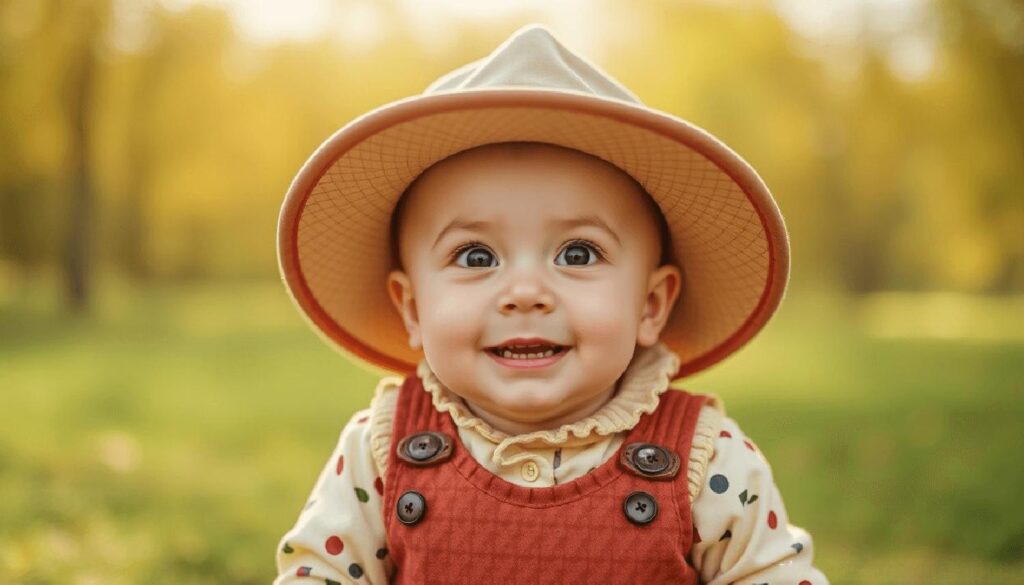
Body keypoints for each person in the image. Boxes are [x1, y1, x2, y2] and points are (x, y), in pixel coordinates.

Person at [272, 23, 829, 584]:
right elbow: (318, 571)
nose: (525, 293)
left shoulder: (709, 460)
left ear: (650, 305)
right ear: (413, 309)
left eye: (578, 253)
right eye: (475, 256)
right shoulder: (379, 450)